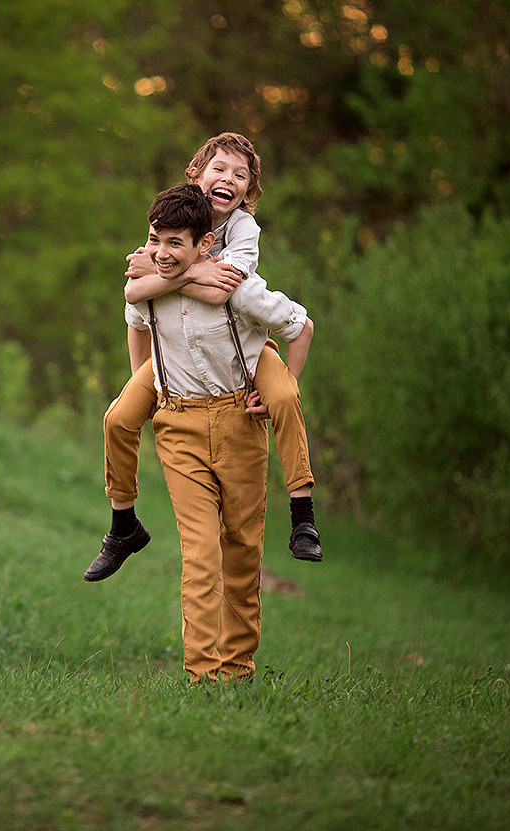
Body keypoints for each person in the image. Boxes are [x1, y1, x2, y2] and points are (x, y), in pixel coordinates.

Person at [84, 132, 320, 584]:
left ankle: (303, 512)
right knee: (117, 420)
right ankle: (122, 525)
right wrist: (148, 379)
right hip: (173, 356)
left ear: (249, 192)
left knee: (286, 396)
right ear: (195, 174)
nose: (227, 179)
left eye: (239, 175)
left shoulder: (244, 230)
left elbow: (223, 288)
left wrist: (166, 271)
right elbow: (134, 293)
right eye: (219, 169)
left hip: (246, 346)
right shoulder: (172, 216)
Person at [116, 183, 313, 680]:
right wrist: (152, 386)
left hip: (237, 423)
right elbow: (136, 320)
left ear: (205, 245)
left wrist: (277, 389)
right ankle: (200, 674)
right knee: (200, 555)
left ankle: (238, 668)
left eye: (175, 243)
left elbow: (298, 325)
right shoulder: (150, 279)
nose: (161, 253)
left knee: (242, 552)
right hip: (179, 425)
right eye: (155, 241)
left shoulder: (235, 285)